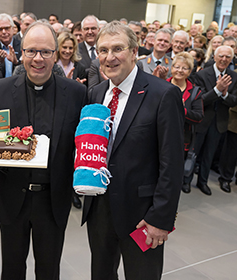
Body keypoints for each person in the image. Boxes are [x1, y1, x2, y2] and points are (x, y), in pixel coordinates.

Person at [82, 21, 184, 279]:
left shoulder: (163, 94)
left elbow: (171, 164)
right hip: (100, 210)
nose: (110, 57)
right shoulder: (95, 93)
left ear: (134, 51)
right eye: (103, 50)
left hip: (142, 216)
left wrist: (161, 219)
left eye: (118, 49)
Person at [0, 21, 87, 279]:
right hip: (12, 197)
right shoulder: (0, 90)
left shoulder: (76, 93)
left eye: (45, 52)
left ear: (56, 55)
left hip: (53, 200)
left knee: (49, 269)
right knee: (11, 268)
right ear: (21, 53)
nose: (38, 59)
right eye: (31, 51)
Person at [190, 45, 237, 195]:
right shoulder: (202, 74)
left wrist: (224, 94)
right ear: (214, 57)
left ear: (231, 59)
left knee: (209, 155)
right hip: (202, 120)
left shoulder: (234, 77)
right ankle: (186, 180)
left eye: (227, 57)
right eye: (221, 56)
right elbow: (200, 99)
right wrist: (217, 90)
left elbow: (234, 101)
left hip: (220, 122)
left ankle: (203, 182)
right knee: (194, 152)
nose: (224, 59)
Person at [167, 52, 204, 193]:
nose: (180, 70)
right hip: (159, 137)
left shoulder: (195, 92)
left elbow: (199, 117)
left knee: (174, 177)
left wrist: (182, 110)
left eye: (184, 68)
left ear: (189, 71)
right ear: (172, 67)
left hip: (181, 141)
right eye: (177, 66)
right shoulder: (162, 85)